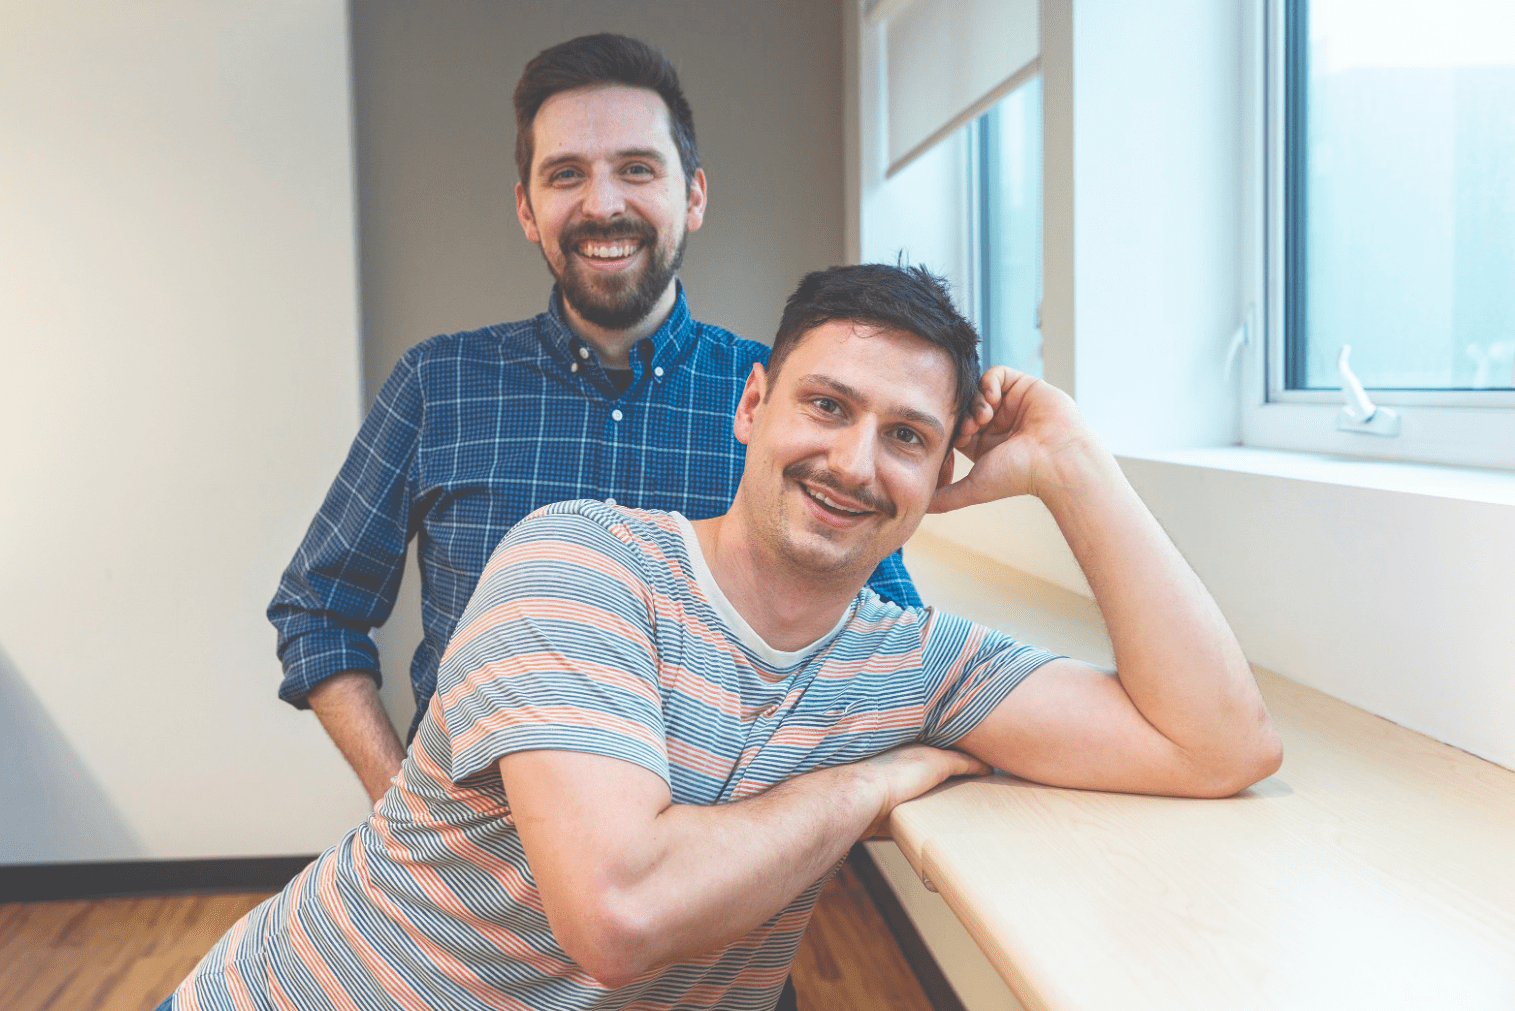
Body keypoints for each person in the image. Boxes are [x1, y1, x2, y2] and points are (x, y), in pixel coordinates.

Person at [171, 263, 1282, 1011]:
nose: (855, 462)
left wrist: (1074, 468)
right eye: (828, 407)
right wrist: (869, 784)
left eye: (907, 436)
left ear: (945, 475)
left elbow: (1216, 745)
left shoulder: (912, 661)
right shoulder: (580, 563)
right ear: (751, 406)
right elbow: (621, 911)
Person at [268, 34, 918, 807]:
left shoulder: (785, 407)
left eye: (636, 169)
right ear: (526, 208)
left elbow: (894, 647)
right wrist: (397, 805)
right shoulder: (437, 383)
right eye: (565, 175)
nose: (602, 204)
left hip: (702, 890)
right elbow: (319, 610)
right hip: (459, 891)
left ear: (694, 195)